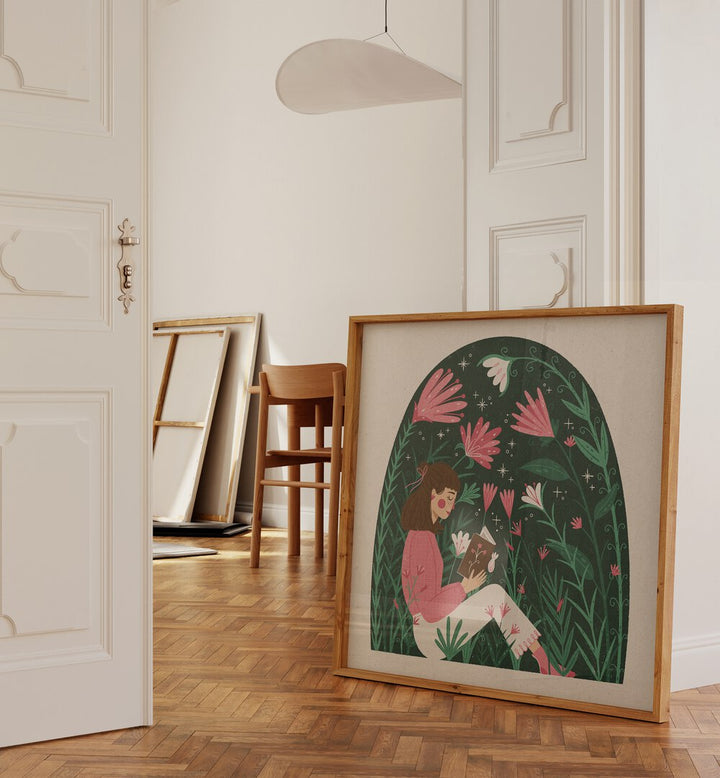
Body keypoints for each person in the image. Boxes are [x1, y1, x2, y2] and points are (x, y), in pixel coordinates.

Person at [400, 461, 567, 675]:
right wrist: (463, 587)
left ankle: (543, 661)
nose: (451, 506)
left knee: (495, 595)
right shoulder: (421, 539)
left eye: (453, 500)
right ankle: (543, 662)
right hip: (430, 634)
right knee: (496, 596)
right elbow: (428, 608)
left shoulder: (424, 536)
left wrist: (463, 584)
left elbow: (429, 599)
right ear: (433, 493)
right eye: (449, 498)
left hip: (431, 626)